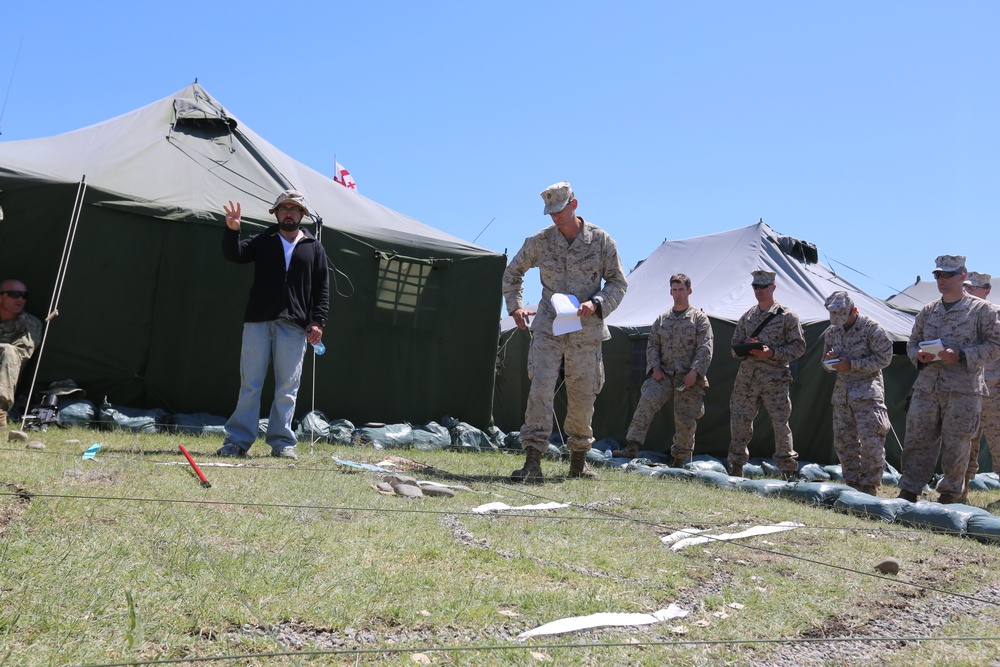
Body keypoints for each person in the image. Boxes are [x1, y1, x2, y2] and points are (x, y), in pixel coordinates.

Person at [502, 181, 627, 481]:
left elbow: (618, 283)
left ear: (574, 204)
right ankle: (533, 461)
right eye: (550, 212)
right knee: (540, 392)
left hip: (586, 331)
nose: (556, 217)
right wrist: (515, 307)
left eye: (560, 210)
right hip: (548, 328)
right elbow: (513, 272)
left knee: (583, 396)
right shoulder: (540, 242)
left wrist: (597, 303)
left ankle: (578, 462)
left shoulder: (601, 241)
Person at [216, 189, 330, 460]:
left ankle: (282, 443)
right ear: (276, 213)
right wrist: (233, 230)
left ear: (302, 214)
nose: (288, 213)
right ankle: (237, 442)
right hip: (258, 320)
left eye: (293, 209)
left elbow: (322, 288)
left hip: (294, 326)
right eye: (283, 209)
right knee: (250, 384)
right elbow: (235, 255)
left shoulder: (314, 247)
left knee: (287, 388)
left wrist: (318, 321)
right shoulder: (263, 240)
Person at [897, 256, 1000, 504]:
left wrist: (962, 355)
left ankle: (950, 495)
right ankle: (909, 491)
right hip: (927, 387)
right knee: (917, 439)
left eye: (947, 275)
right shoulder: (928, 310)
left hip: (963, 390)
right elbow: (912, 343)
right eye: (938, 275)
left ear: (962, 276)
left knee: (958, 443)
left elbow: (995, 346)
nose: (941, 280)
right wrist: (918, 356)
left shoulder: (984, 310)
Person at [613, 273, 713, 466]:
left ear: (689, 291)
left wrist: (695, 372)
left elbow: (705, 348)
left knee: (685, 418)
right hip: (664, 374)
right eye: (674, 290)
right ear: (670, 292)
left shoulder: (699, 319)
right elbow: (652, 345)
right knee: (645, 404)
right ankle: (631, 446)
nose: (678, 294)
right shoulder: (662, 319)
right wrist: (655, 368)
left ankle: (680, 458)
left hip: (688, 377)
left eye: (681, 290)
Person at [728, 270, 806, 479]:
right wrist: (746, 347)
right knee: (739, 422)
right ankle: (736, 466)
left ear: (773, 287)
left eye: (763, 287)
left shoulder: (787, 316)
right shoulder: (748, 317)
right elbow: (734, 347)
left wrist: (772, 353)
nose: (759, 291)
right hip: (747, 379)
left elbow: (798, 347)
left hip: (775, 379)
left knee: (780, 424)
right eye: (755, 287)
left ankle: (788, 470)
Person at [821, 291, 893, 495]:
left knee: (871, 442)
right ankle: (852, 486)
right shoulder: (832, 332)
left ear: (854, 310)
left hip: (868, 395)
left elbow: (885, 357)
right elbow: (824, 364)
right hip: (842, 396)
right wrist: (830, 360)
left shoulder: (872, 328)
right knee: (845, 443)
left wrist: (852, 364)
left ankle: (870, 487)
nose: (840, 322)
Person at [960, 271, 1000, 503]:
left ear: (986, 290)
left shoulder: (996, 316)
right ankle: (959, 491)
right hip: (969, 389)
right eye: (967, 287)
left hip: (995, 392)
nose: (969, 291)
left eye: (974, 288)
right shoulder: (962, 317)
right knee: (965, 442)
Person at [0, 279, 43, 427]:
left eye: (24, 296)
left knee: (8, 350)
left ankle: (0, 411)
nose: (20, 299)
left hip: (5, 379)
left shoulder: (30, 324)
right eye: (14, 294)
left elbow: (22, 353)